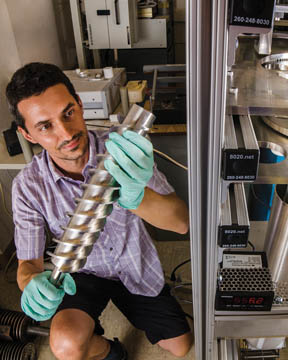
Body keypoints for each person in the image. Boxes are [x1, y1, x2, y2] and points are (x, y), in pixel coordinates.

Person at [6, 62, 192, 360]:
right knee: (66, 345)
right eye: (45, 126)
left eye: (68, 113)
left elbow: (181, 223)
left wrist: (135, 195)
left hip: (135, 266)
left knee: (181, 347)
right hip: (80, 273)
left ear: (80, 105)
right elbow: (28, 263)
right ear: (27, 134)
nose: (66, 132)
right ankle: (111, 351)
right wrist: (31, 284)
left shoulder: (122, 150)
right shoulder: (28, 187)